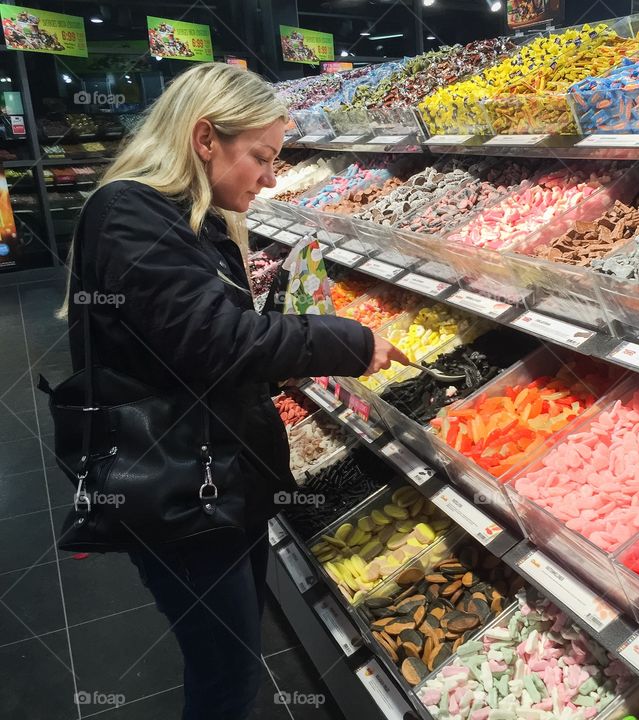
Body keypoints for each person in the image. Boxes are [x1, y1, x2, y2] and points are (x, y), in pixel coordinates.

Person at [60, 62, 407, 720]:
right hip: (178, 494)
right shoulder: (129, 211)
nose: (272, 178)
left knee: (230, 660)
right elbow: (215, 340)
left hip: (213, 477)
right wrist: (347, 341)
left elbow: (188, 346)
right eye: (262, 157)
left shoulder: (188, 215)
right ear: (203, 138)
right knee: (226, 675)